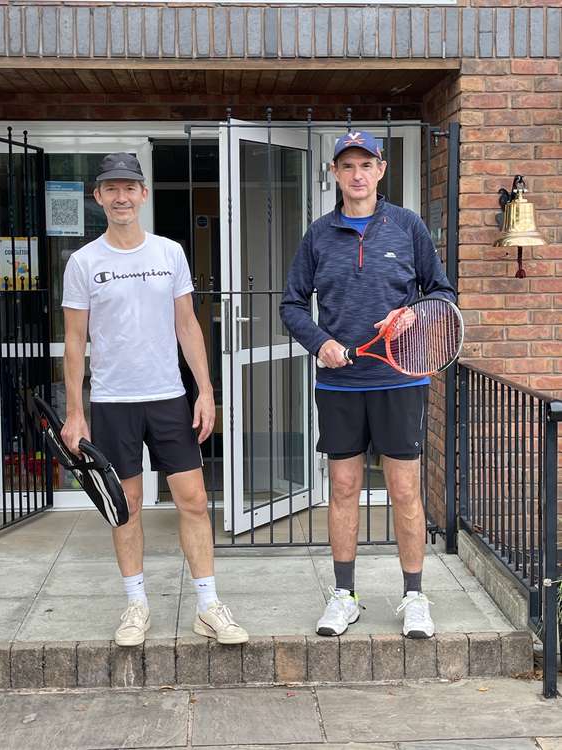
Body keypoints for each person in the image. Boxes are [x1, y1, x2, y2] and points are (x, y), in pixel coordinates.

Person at [61, 152, 248, 647]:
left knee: (194, 500)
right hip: (114, 402)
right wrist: (76, 413)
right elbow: (75, 342)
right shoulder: (83, 263)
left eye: (129, 187)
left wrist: (206, 391)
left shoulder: (169, 253)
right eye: (111, 189)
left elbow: (187, 324)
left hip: (169, 398)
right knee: (127, 506)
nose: (121, 197)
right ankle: (136, 605)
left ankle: (208, 606)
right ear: (99, 197)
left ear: (143, 194)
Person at [280, 132, 456, 639]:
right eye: (347, 165)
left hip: (399, 379)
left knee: (404, 489)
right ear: (335, 173)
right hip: (339, 384)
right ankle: (344, 595)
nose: (357, 174)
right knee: (343, 487)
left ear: (381, 169)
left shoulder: (407, 226)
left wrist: (411, 317)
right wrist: (320, 343)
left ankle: (414, 596)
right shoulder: (318, 234)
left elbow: (441, 294)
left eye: (366, 164)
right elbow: (292, 304)